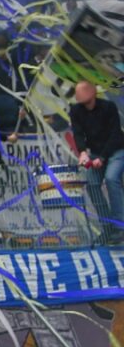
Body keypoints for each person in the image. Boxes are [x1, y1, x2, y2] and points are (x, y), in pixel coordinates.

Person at [72, 81, 124, 239]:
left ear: (93, 94)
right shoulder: (76, 110)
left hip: (116, 150)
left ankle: (119, 224)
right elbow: (78, 133)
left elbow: (115, 134)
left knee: (111, 178)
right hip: (94, 152)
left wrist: (102, 157)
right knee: (92, 185)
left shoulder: (108, 107)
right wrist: (82, 152)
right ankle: (107, 225)